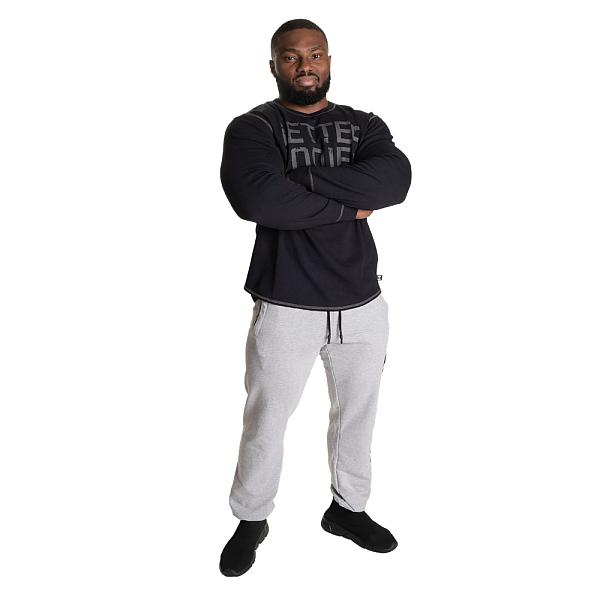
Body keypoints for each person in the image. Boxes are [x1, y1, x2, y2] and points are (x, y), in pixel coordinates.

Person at [218, 18, 412, 576]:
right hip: (286, 301)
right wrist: (350, 202)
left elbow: (394, 182)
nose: (305, 65)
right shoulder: (253, 128)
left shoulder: (364, 124)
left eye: (316, 54)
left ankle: (348, 510)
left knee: (358, 416)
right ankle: (252, 518)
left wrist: (297, 179)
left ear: (328, 61)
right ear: (274, 65)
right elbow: (256, 199)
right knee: (266, 419)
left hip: (361, 302)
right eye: (291, 56)